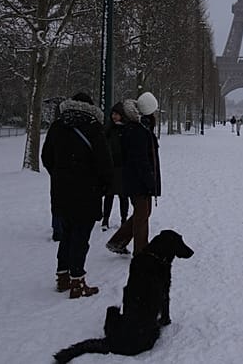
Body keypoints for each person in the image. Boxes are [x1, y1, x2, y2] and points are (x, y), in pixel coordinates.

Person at [41, 92, 113, 298]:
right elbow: (104, 163)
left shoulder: (57, 126)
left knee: (66, 234)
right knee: (81, 237)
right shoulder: (93, 128)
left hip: (61, 191)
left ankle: (62, 276)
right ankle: (77, 281)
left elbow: (46, 157)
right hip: (87, 191)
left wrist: (60, 175)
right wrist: (103, 185)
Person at [106, 91, 161, 256]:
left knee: (142, 213)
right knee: (142, 216)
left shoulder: (138, 128)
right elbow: (140, 160)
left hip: (136, 179)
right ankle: (141, 251)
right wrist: (150, 181)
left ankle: (117, 241)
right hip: (139, 181)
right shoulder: (138, 130)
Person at [102, 102, 129, 232]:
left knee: (123, 196)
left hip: (123, 167)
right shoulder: (109, 128)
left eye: (117, 114)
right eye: (113, 114)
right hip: (111, 166)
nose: (114, 116)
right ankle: (105, 219)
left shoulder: (126, 129)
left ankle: (124, 219)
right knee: (109, 195)